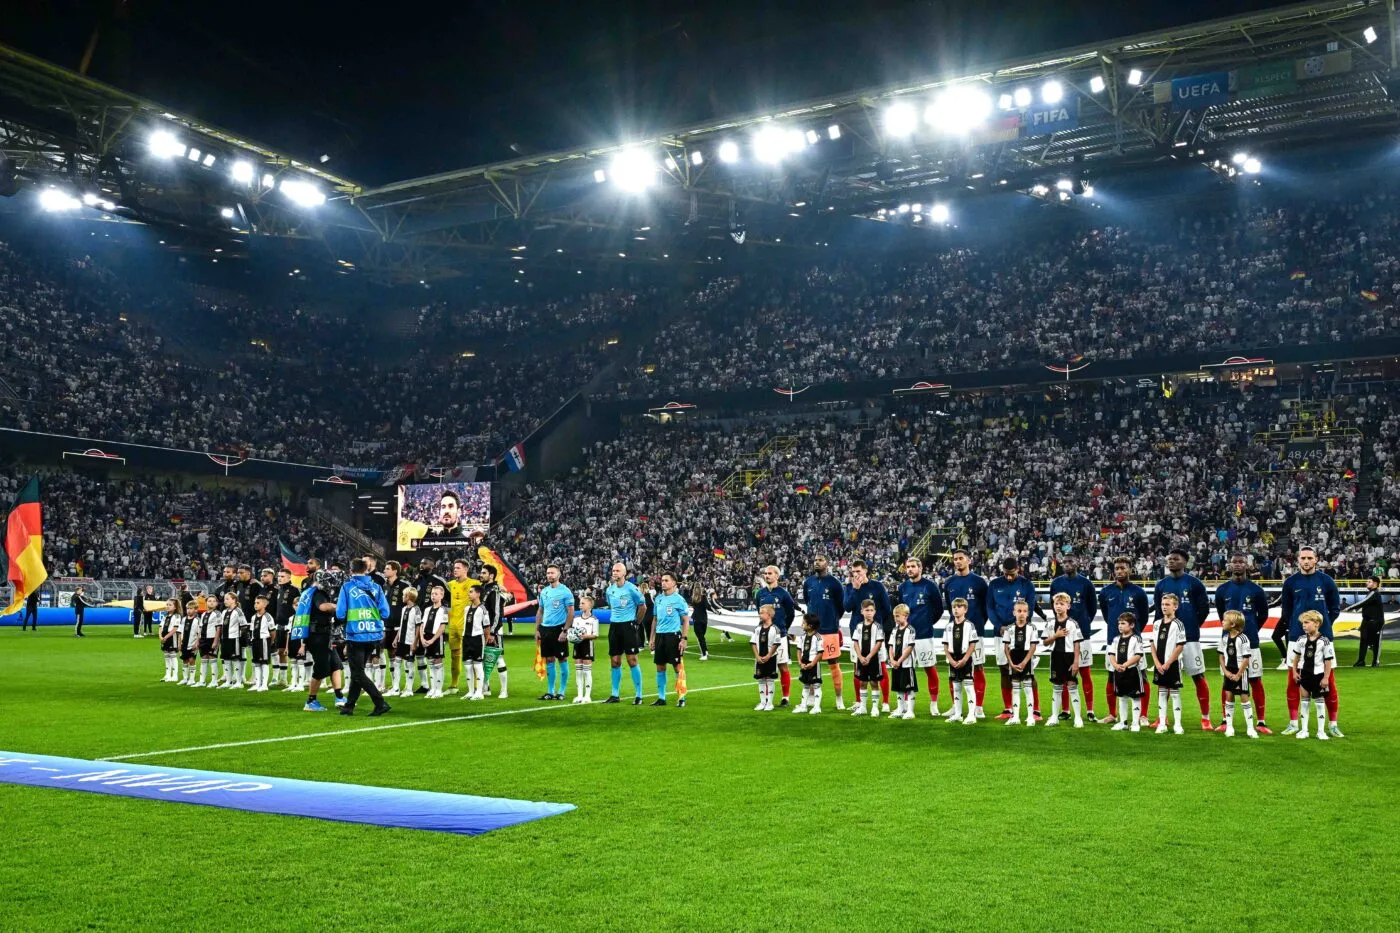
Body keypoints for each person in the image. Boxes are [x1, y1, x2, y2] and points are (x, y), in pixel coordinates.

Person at [1278, 546, 1343, 737]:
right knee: (1293, 680)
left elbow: (1335, 608)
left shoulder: (1326, 581)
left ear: (1316, 559)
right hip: (1296, 637)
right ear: (1298, 560)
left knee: (1328, 680)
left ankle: (1332, 724)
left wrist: (1323, 628)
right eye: (1303, 558)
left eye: (1309, 558)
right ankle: (1293, 723)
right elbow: (1286, 611)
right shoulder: (1291, 582)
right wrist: (1296, 628)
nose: (1306, 561)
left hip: (1324, 639)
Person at [1153, 548, 1212, 731]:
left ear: (1185, 562)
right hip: (1166, 641)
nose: (1171, 562)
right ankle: (1162, 718)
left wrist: (1192, 625)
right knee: (1163, 677)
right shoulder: (1161, 585)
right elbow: (1157, 613)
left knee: (1197, 675)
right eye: (1169, 559)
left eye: (1176, 559)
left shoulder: (1195, 584)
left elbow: (1203, 610)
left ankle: (1206, 718)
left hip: (1190, 638)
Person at [1213, 554, 1273, 734]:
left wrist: (1250, 630)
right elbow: (1221, 614)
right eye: (1234, 562)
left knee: (1255, 680)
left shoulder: (1256, 590)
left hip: (1251, 642)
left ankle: (1261, 722)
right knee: (1227, 681)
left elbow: (1263, 615)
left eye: (1241, 562)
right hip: (1228, 643)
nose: (1238, 565)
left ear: (1248, 565)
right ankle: (1225, 720)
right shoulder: (1222, 590)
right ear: (1229, 566)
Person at [988, 557, 1043, 721]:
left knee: (1027, 672)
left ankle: (1036, 711)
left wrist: (1013, 627)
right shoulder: (994, 584)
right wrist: (999, 626)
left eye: (1012, 574)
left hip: (1022, 633)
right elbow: (990, 608)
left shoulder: (1027, 584)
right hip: (1000, 633)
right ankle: (1007, 709)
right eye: (1006, 574)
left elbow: (1030, 610)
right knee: (1004, 670)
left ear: (1018, 570)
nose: (1009, 577)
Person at [336, 557, 392, 717]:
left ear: (351, 570)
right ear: (366, 569)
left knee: (358, 673)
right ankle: (349, 706)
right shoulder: (376, 587)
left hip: (355, 635)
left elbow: (340, 613)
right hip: (374, 635)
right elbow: (385, 613)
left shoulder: (347, 587)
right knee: (357, 671)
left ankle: (380, 702)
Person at [1099, 557, 1150, 727]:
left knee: (1141, 677)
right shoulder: (1106, 592)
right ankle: (1112, 714)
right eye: (1117, 568)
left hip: (1134, 642)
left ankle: (1143, 715)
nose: (1120, 571)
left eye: (1123, 568)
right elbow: (1107, 616)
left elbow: (1143, 617)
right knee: (1112, 677)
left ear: (1129, 569)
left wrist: (1133, 634)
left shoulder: (1139, 592)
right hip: (1113, 640)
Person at [1049, 556, 1097, 722]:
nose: (1068, 564)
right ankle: (1065, 710)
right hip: (1062, 636)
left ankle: (1090, 710)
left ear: (1078, 563)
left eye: (1071, 562)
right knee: (1063, 675)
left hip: (1082, 635)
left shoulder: (1086, 583)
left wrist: (1081, 625)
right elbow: (1053, 605)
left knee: (1084, 672)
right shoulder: (1055, 583)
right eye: (1065, 562)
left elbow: (1092, 608)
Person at [942, 550, 989, 715]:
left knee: (977, 667)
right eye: (955, 559)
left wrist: (977, 625)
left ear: (969, 560)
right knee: (953, 669)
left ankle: (978, 707)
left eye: (961, 558)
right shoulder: (948, 583)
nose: (958, 561)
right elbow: (949, 606)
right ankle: (956, 707)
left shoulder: (979, 582)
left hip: (975, 632)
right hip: (954, 632)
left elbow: (986, 607)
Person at [844, 559, 892, 713]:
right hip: (856, 633)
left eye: (858, 571)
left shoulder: (877, 586)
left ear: (865, 571)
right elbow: (847, 607)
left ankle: (885, 703)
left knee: (881, 667)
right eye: (853, 571)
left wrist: (877, 626)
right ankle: (859, 702)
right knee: (858, 668)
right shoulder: (850, 587)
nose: (856, 574)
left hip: (875, 634)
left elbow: (887, 608)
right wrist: (855, 590)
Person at [900, 556, 945, 717]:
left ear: (920, 568)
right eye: (908, 567)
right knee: (905, 671)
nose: (910, 569)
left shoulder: (930, 586)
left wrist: (927, 622)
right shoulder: (902, 587)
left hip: (924, 636)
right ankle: (905, 704)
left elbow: (939, 609)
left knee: (929, 669)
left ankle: (934, 704)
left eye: (913, 566)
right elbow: (900, 610)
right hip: (906, 637)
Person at [802, 555, 847, 710]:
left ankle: (839, 698)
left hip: (830, 630)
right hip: (812, 632)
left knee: (833, 665)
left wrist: (832, 620)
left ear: (827, 563)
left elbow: (841, 607)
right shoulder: (808, 583)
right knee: (811, 665)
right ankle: (812, 697)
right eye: (815, 560)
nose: (816, 562)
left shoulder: (835, 583)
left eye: (820, 560)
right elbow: (808, 602)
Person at [299, 568, 347, 711]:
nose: (332, 585)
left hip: (323, 635)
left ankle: (339, 697)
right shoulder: (317, 593)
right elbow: (323, 607)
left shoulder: (312, 592)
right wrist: (340, 608)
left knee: (336, 665)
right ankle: (310, 701)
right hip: (317, 636)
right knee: (321, 669)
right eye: (330, 582)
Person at [604, 562, 648, 705]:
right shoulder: (610, 590)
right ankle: (615, 694)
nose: (615, 573)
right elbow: (611, 606)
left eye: (617, 570)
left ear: (624, 573)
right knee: (615, 661)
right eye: (613, 570)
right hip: (615, 627)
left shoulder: (632, 589)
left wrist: (636, 623)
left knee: (632, 660)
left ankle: (639, 695)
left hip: (628, 626)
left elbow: (643, 607)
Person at [754, 566, 798, 705]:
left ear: (777, 576)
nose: (767, 576)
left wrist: (783, 627)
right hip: (764, 637)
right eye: (765, 574)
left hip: (780, 635)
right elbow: (759, 611)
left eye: (770, 573)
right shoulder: (760, 594)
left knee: (782, 666)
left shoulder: (784, 594)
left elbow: (791, 613)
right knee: (764, 666)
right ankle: (766, 699)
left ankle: (786, 697)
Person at [1289, 610, 1336, 741]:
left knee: (1320, 703)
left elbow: (1328, 661)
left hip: (1319, 675)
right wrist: (1294, 671)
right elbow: (1296, 657)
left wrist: (1326, 677)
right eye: (1302, 623)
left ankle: (1321, 731)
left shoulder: (1324, 641)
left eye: (1306, 622)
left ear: (1316, 623)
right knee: (1304, 702)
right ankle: (1304, 730)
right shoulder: (1301, 639)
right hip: (1304, 675)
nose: (1303, 625)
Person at [649, 571, 691, 707]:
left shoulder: (679, 599)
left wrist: (684, 638)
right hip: (660, 636)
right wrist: (652, 638)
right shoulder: (658, 599)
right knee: (660, 667)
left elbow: (685, 620)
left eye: (666, 580)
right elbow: (655, 620)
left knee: (677, 667)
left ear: (673, 583)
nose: (663, 582)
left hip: (673, 636)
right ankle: (661, 698)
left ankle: (681, 696)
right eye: (662, 580)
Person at [1042, 593, 1084, 728]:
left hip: (1070, 657)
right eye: (1056, 604)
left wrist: (1076, 662)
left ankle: (1078, 717)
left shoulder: (1072, 624)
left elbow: (1077, 643)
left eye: (1062, 604)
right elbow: (1045, 642)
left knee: (1072, 686)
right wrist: (1056, 635)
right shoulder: (1050, 624)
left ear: (1068, 606)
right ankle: (1054, 716)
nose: (1058, 606)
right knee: (1057, 687)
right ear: (1053, 606)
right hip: (1056, 657)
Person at [537, 564, 576, 701]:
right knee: (549, 659)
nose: (549, 575)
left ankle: (561, 691)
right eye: (548, 573)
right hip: (545, 629)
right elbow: (540, 610)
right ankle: (550, 691)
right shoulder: (544, 592)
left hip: (559, 629)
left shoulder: (565, 591)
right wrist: (537, 629)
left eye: (552, 573)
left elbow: (571, 612)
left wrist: (565, 630)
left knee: (562, 658)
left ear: (559, 575)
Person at [1150, 593, 1187, 735]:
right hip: (1159, 665)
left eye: (1167, 604)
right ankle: (1162, 723)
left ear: (1175, 606)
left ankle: (1177, 724)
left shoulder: (1178, 624)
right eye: (1162, 604)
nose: (1164, 607)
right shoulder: (1156, 624)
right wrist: (1157, 663)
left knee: (1175, 693)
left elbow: (1180, 646)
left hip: (1172, 664)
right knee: (1162, 692)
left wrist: (1167, 663)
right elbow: (1152, 644)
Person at [1218, 610, 1258, 739]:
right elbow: (1221, 656)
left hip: (1241, 672)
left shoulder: (1243, 638)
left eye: (1225, 620)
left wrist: (1239, 674)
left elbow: (1246, 659)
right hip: (1228, 671)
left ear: (1233, 624)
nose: (1222, 622)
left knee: (1244, 698)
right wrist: (1225, 671)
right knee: (1228, 697)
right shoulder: (1224, 638)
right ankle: (1229, 727)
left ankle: (1250, 729)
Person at [1001, 599, 1039, 727]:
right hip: (1014, 659)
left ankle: (1030, 717)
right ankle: (1015, 716)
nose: (1021, 614)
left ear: (1028, 613)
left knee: (1028, 688)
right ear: (1014, 613)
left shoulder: (1032, 628)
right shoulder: (1009, 628)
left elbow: (1033, 647)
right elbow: (1006, 648)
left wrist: (1025, 661)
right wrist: (1011, 663)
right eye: (1019, 611)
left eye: (1024, 611)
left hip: (1026, 660)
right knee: (1016, 689)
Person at [941, 598, 979, 725]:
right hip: (953, 659)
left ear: (965, 609)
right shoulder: (949, 626)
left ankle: (971, 715)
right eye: (954, 607)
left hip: (965, 659)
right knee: (956, 687)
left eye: (959, 607)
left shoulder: (970, 625)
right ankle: (957, 714)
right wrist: (950, 660)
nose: (956, 609)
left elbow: (972, 644)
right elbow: (945, 646)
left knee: (968, 687)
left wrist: (965, 659)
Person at [478, 564, 512, 697]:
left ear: (491, 575)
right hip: (481, 630)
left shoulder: (495, 590)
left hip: (493, 631)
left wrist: (492, 632)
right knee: (483, 658)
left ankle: (504, 690)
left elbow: (498, 614)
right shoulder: (482, 589)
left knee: (499, 659)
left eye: (483, 573)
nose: (481, 575)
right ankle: (485, 687)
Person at [1107, 613, 1144, 732]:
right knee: (1121, 697)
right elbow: (1111, 654)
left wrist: (1125, 665)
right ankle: (1123, 722)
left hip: (1132, 672)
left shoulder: (1136, 639)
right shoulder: (1116, 639)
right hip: (1118, 672)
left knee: (1135, 697)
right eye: (1119, 623)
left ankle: (1135, 723)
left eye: (1123, 623)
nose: (1120, 626)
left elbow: (1138, 655)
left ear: (1132, 625)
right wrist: (1116, 665)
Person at [849, 599, 885, 718]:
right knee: (863, 682)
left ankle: (875, 707)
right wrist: (860, 657)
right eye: (867, 610)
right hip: (861, 658)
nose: (869, 612)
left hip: (873, 659)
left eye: (871, 610)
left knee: (874, 682)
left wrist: (869, 657)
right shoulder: (858, 626)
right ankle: (863, 707)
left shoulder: (878, 627)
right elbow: (855, 642)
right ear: (862, 612)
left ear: (874, 612)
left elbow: (878, 643)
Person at [446, 559, 476, 694]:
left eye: (458, 567)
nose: (455, 569)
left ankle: (476, 686)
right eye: (454, 567)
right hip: (453, 626)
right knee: (454, 655)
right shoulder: (450, 584)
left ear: (465, 569)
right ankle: (453, 685)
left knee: (471, 656)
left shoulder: (474, 583)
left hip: (467, 625)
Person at [385, 587, 420, 697]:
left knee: (409, 663)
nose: (402, 597)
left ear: (408, 597)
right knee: (397, 662)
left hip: (410, 641)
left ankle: (409, 689)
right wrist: (396, 638)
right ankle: (396, 688)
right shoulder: (404, 609)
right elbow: (402, 625)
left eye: (403, 595)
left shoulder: (417, 610)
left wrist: (415, 642)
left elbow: (419, 627)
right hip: (401, 640)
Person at [886, 604, 918, 720]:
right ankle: (900, 709)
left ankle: (910, 711)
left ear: (906, 616)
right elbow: (890, 646)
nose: (895, 618)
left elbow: (909, 648)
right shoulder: (894, 630)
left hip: (907, 664)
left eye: (898, 616)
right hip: (896, 664)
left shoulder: (910, 630)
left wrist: (899, 661)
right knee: (898, 687)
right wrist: (892, 660)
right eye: (894, 616)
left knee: (909, 688)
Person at [271, 568, 300, 688]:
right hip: (279, 625)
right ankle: (283, 679)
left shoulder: (294, 590)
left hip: (291, 625)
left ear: (289, 578)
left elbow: (298, 605)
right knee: (280, 652)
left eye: (283, 576)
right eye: (279, 576)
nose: (280, 578)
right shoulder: (278, 590)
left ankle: (298, 679)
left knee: (296, 654)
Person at [460, 584, 489, 701]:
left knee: (477, 665)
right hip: (466, 638)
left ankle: (479, 692)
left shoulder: (483, 609)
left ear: (478, 594)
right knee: (467, 666)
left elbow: (487, 626)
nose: (469, 593)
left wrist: (485, 640)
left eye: (471, 592)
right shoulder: (467, 608)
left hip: (477, 639)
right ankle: (470, 691)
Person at [420, 584, 449, 698]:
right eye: (432, 594)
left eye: (436, 594)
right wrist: (422, 638)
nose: (433, 596)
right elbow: (422, 624)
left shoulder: (444, 610)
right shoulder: (427, 609)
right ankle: (432, 688)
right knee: (431, 663)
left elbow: (442, 627)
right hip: (426, 637)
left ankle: (439, 690)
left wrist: (432, 640)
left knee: (438, 662)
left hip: (436, 638)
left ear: (442, 595)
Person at [1350, 577, 1385, 667]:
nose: (1367, 583)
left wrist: (1350, 607)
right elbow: (1367, 604)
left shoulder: (1375, 593)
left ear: (1375, 583)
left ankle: (1375, 661)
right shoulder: (1371, 593)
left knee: (1376, 642)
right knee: (1363, 641)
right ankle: (1361, 661)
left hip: (1376, 622)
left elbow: (1363, 602)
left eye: (1369, 582)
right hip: (1366, 621)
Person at [751, 605, 781, 711]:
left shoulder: (775, 629)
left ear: (769, 615)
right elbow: (753, 643)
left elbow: (776, 644)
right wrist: (757, 656)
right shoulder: (757, 628)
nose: (760, 615)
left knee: (770, 679)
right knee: (761, 680)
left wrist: (769, 655)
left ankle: (770, 703)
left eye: (762, 613)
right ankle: (763, 702)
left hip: (771, 658)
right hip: (759, 658)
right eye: (759, 612)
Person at [794, 612, 824, 715]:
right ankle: (803, 706)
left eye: (803, 623)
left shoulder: (818, 637)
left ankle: (816, 707)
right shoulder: (802, 637)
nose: (801, 624)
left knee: (816, 685)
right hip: (804, 663)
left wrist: (813, 663)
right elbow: (798, 650)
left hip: (814, 664)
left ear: (810, 626)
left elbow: (820, 653)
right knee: (805, 684)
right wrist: (800, 662)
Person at [571, 595, 599, 704]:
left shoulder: (594, 620)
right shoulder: (576, 619)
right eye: (580, 603)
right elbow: (573, 632)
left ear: (589, 605)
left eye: (582, 603)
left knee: (587, 672)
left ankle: (587, 696)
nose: (580, 605)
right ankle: (579, 695)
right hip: (577, 645)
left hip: (587, 645)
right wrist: (572, 636)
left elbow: (595, 635)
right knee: (578, 671)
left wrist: (584, 636)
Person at [217, 591, 246, 689]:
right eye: (225, 599)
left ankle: (238, 681)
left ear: (234, 600)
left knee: (236, 659)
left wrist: (242, 639)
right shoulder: (224, 612)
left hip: (234, 639)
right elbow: (221, 626)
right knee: (226, 660)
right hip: (224, 639)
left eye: (227, 599)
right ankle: (228, 682)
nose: (225, 601)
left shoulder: (238, 611)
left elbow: (244, 626)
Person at [248, 593, 276, 692]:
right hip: (255, 641)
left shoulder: (268, 617)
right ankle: (257, 683)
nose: (255, 604)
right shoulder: (253, 617)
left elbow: (273, 631)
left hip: (264, 641)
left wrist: (270, 642)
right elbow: (252, 630)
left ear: (264, 605)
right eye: (255, 603)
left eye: (258, 603)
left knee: (264, 662)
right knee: (256, 663)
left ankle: (264, 684)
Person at [159, 598, 182, 682]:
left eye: (170, 605)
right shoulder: (165, 616)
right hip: (165, 636)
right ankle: (167, 674)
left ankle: (175, 675)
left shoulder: (177, 616)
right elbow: (160, 627)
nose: (168, 606)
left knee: (172, 655)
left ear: (175, 607)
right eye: (167, 604)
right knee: (166, 655)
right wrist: (161, 636)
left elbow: (175, 629)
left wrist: (166, 637)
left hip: (172, 637)